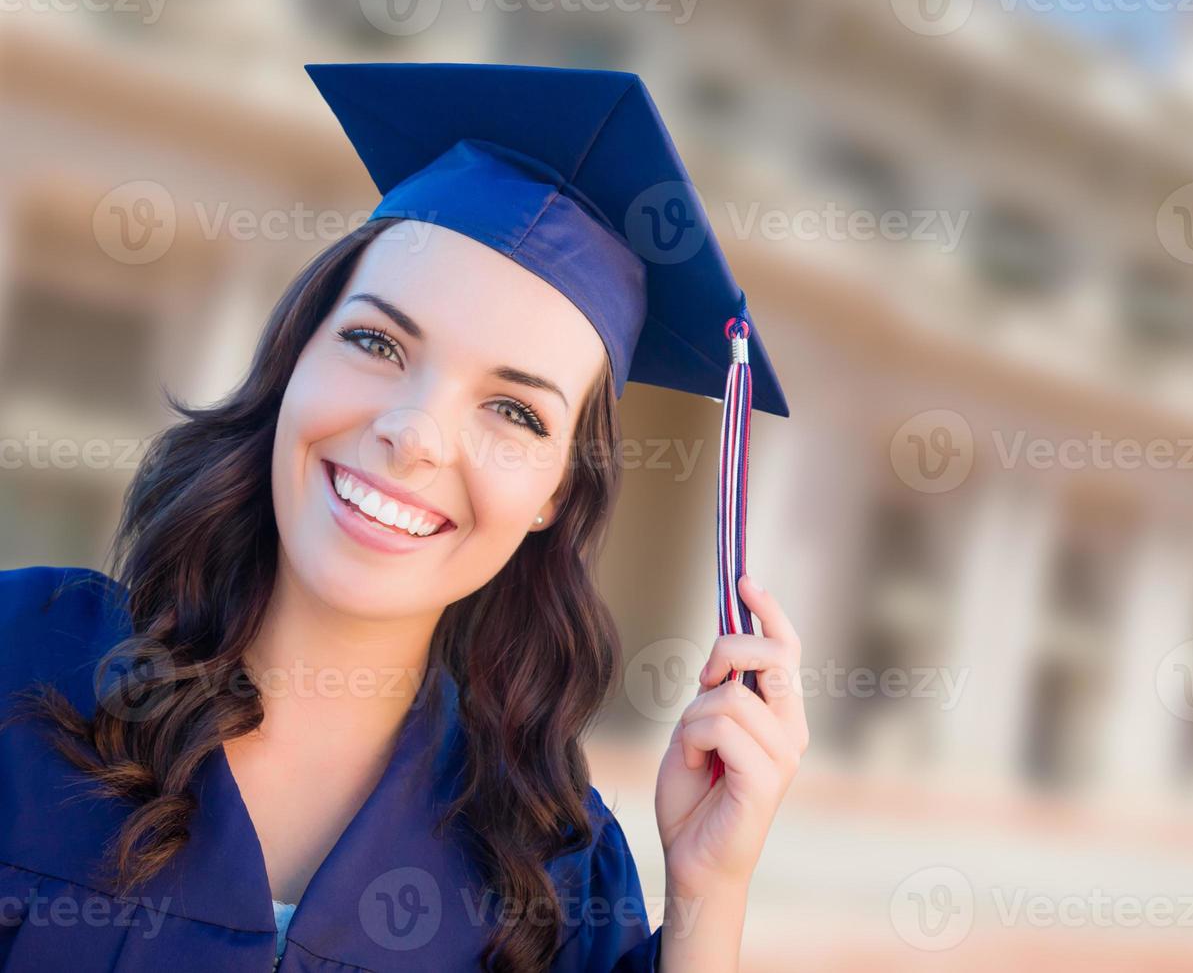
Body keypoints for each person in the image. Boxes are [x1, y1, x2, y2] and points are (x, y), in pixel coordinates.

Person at [0, 63, 808, 971]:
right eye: (377, 342)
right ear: (293, 358)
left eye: (515, 411)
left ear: (554, 495)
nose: (415, 434)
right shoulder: (19, 661)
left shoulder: (557, 875)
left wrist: (709, 894)